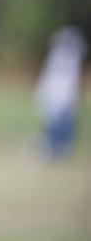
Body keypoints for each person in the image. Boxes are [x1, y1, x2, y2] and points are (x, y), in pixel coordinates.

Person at [34, 26, 87, 159]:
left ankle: (58, 151)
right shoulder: (68, 58)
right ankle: (55, 151)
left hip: (59, 97)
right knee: (56, 128)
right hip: (60, 97)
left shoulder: (62, 58)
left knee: (61, 128)